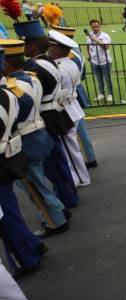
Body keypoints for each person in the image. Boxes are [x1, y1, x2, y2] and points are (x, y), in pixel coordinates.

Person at [0, 39, 69, 237]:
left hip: (27, 138)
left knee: (33, 184)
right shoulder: (31, 77)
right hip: (39, 134)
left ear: (7, 63)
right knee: (40, 179)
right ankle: (58, 209)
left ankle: (55, 220)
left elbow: (20, 110)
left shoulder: (13, 87)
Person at [14, 20, 79, 209]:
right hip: (53, 114)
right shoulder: (46, 60)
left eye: (23, 42)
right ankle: (68, 195)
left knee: (52, 163)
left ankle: (64, 198)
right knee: (58, 161)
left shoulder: (32, 67)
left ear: (32, 45)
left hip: (44, 117)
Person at [0, 61, 46, 277]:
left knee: (6, 218)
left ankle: (26, 257)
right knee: (10, 211)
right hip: (8, 156)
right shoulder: (9, 92)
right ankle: (31, 245)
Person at [48, 30, 91, 188]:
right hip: (74, 108)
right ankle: (78, 176)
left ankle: (79, 178)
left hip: (66, 110)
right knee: (72, 148)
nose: (49, 50)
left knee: (70, 149)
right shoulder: (71, 62)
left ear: (58, 49)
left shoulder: (59, 68)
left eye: (51, 47)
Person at [86, 19, 113, 103]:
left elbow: (106, 47)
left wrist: (95, 40)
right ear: (91, 27)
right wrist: (88, 55)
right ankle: (101, 93)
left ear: (100, 26)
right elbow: (87, 46)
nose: (95, 28)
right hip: (95, 61)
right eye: (93, 27)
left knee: (107, 78)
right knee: (98, 78)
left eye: (97, 26)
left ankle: (110, 94)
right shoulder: (88, 36)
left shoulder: (105, 36)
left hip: (105, 61)